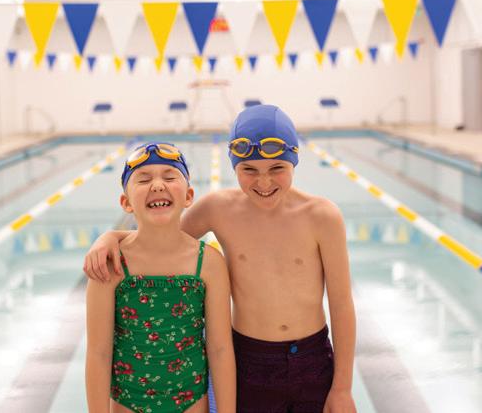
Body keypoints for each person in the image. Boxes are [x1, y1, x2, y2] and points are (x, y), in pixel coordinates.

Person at [85, 105, 357, 413]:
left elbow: (341, 303)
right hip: (249, 360)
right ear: (234, 166)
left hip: (312, 359)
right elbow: (161, 236)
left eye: (277, 168)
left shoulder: (322, 217)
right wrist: (110, 237)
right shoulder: (219, 209)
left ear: (295, 161)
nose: (264, 183)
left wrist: (342, 388)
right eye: (249, 170)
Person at [85, 142, 235, 413]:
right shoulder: (110, 265)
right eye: (143, 180)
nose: (157, 185)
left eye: (169, 177)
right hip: (128, 403)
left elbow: (220, 349)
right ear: (126, 203)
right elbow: (98, 353)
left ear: (188, 196)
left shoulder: (209, 263)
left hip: (192, 403)